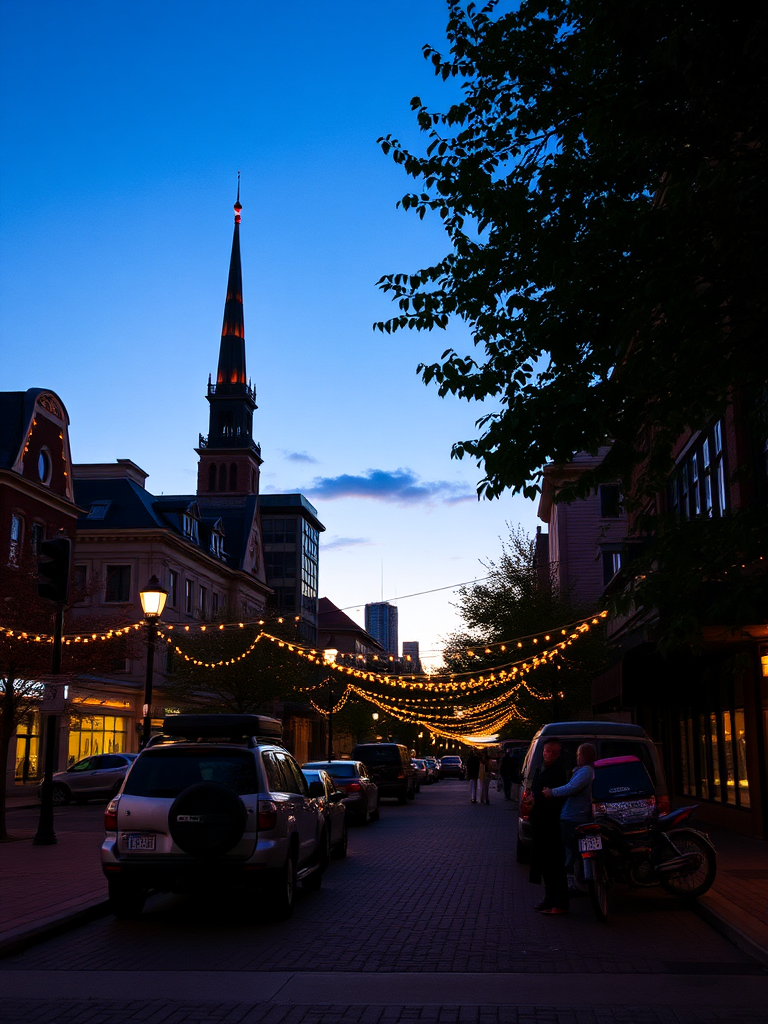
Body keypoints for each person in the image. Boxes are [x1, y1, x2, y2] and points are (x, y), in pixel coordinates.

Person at [544, 742, 596, 893]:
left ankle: (574, 883)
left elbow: (571, 787)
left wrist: (551, 792)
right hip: (578, 815)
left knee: (571, 850)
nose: (577, 757)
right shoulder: (587, 771)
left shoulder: (585, 772)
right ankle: (582, 880)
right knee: (579, 850)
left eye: (579, 754)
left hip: (574, 816)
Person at [529, 739, 569, 914]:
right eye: (546, 751)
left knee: (555, 861)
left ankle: (560, 901)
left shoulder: (559, 771)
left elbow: (558, 795)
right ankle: (549, 897)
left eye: (552, 751)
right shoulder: (540, 769)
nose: (548, 754)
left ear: (558, 753)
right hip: (539, 819)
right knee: (545, 861)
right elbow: (535, 789)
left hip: (552, 820)